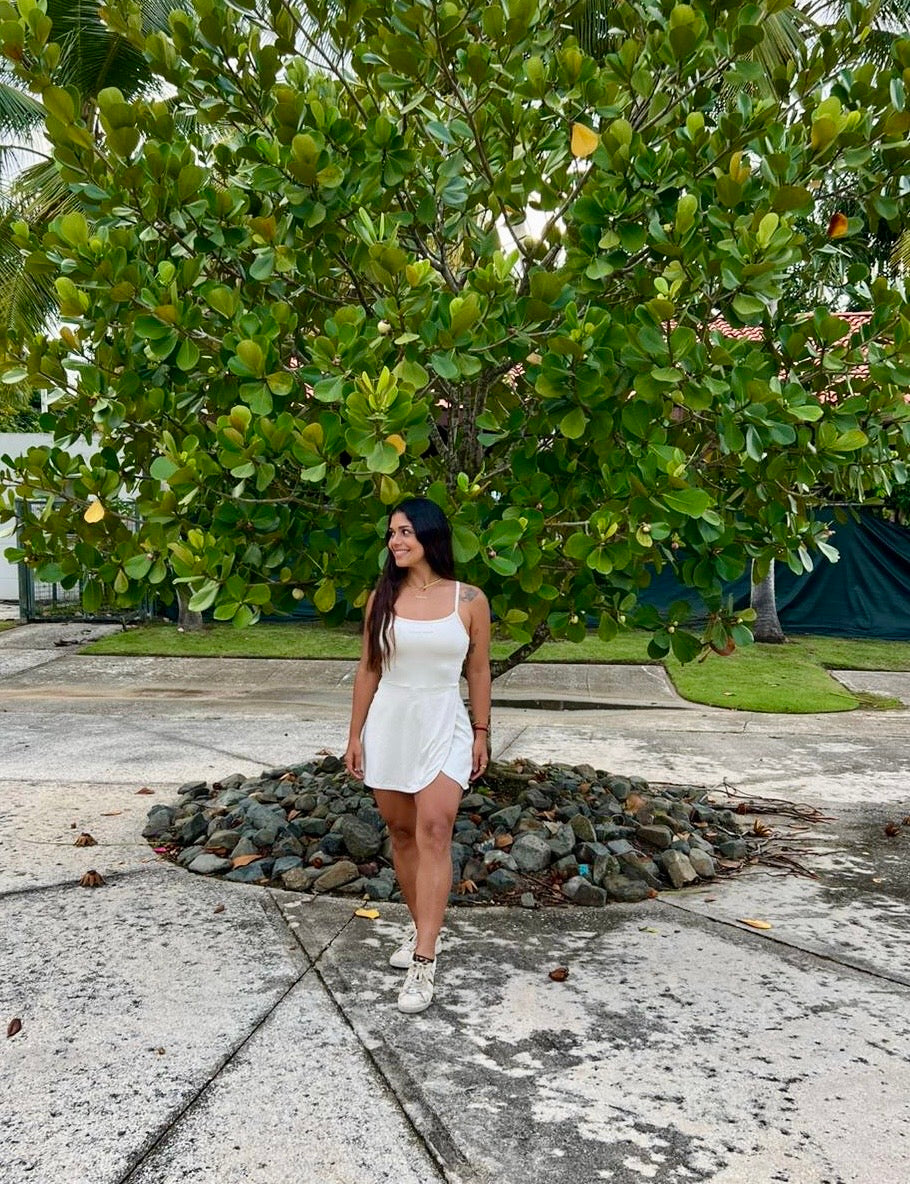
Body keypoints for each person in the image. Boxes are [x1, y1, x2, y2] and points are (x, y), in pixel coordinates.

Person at [344, 497, 491, 1014]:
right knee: (402, 833)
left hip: (444, 721)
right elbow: (368, 670)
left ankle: (424, 961)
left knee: (435, 828)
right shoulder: (381, 597)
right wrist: (355, 735)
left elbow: (477, 671)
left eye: (405, 532)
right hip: (391, 722)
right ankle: (421, 926)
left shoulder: (469, 599)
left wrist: (480, 730)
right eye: (391, 533)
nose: (395, 542)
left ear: (429, 535)